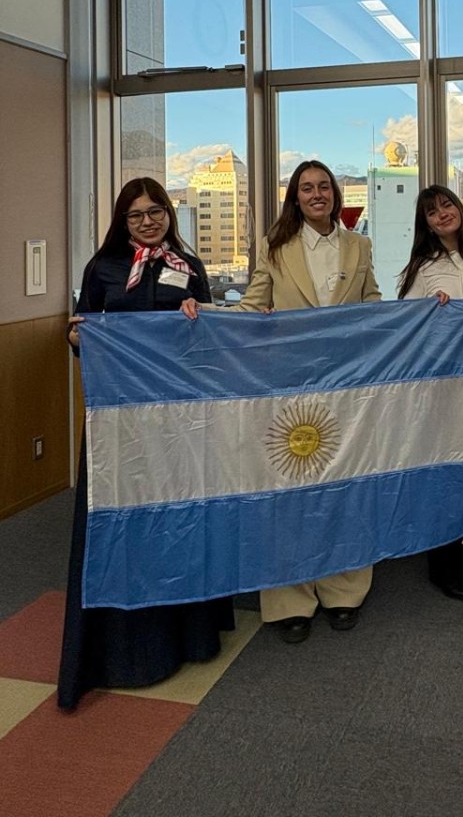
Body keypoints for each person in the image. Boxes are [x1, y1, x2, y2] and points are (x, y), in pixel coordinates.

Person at [182, 159, 381, 645]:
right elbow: (252, 308)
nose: (317, 194)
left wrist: (422, 312)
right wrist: (203, 310)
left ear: (334, 194)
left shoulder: (359, 245)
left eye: (324, 187)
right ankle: (290, 598)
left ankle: (343, 591)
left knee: (343, 484)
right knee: (286, 488)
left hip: (343, 384)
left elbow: (373, 304)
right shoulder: (275, 247)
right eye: (307, 188)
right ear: (295, 198)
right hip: (286, 384)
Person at [59, 178, 234, 711]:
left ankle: (189, 636)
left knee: (178, 519)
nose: (147, 221)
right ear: (122, 220)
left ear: (169, 214)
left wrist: (199, 321)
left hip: (178, 421)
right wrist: (75, 338)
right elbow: (79, 335)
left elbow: (209, 344)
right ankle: (121, 650)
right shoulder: (103, 269)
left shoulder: (189, 267)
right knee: (121, 523)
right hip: (121, 424)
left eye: (156, 211)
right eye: (136, 215)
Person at [397, 184, 463, 601]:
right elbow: (408, 327)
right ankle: (443, 562)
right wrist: (431, 311)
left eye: (446, 205)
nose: (442, 214)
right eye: (431, 211)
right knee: (446, 470)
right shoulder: (422, 268)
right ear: (423, 223)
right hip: (443, 388)